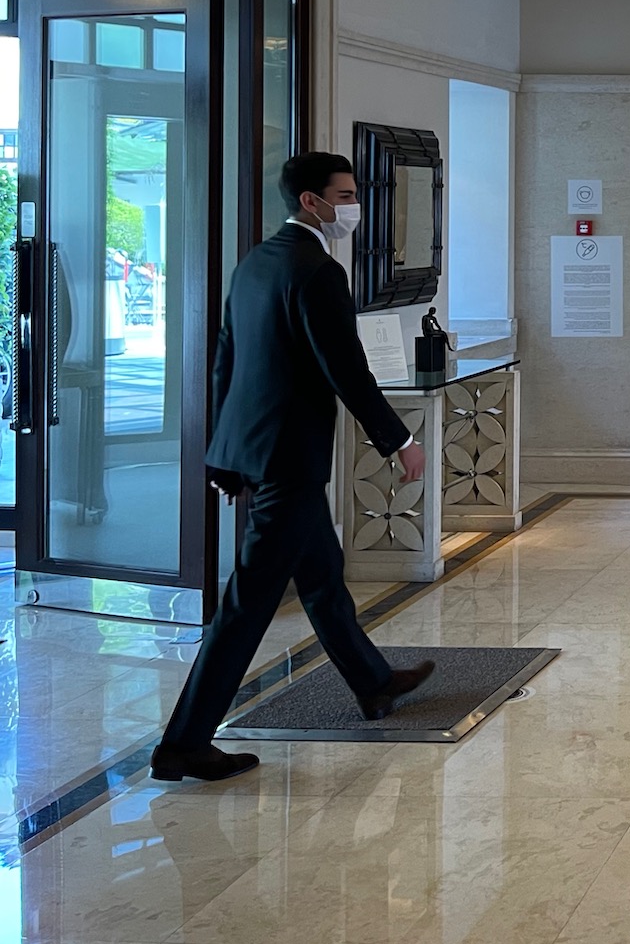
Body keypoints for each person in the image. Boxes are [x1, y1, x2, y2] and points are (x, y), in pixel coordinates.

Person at [151, 152, 436, 782]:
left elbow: (227, 361)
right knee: (248, 604)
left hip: (260, 452)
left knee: (322, 576)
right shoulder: (317, 271)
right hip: (287, 459)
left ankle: (374, 683)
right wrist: (399, 441)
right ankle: (184, 744)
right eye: (345, 193)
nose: (353, 204)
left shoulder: (256, 263)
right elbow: (346, 370)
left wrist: (225, 458)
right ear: (311, 201)